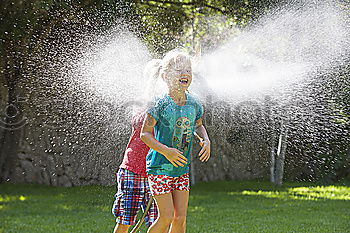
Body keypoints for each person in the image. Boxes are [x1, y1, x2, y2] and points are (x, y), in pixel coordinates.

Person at [140, 50, 211, 233]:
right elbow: (145, 134)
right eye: (179, 69)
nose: (185, 73)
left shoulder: (194, 104)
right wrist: (166, 151)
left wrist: (206, 140)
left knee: (180, 218)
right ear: (165, 76)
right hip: (160, 168)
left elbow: (198, 126)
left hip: (181, 169)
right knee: (167, 216)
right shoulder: (158, 103)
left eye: (188, 69)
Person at [111, 59, 163, 233]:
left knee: (159, 221)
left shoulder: (170, 106)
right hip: (133, 169)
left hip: (157, 171)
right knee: (126, 220)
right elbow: (139, 122)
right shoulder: (142, 102)